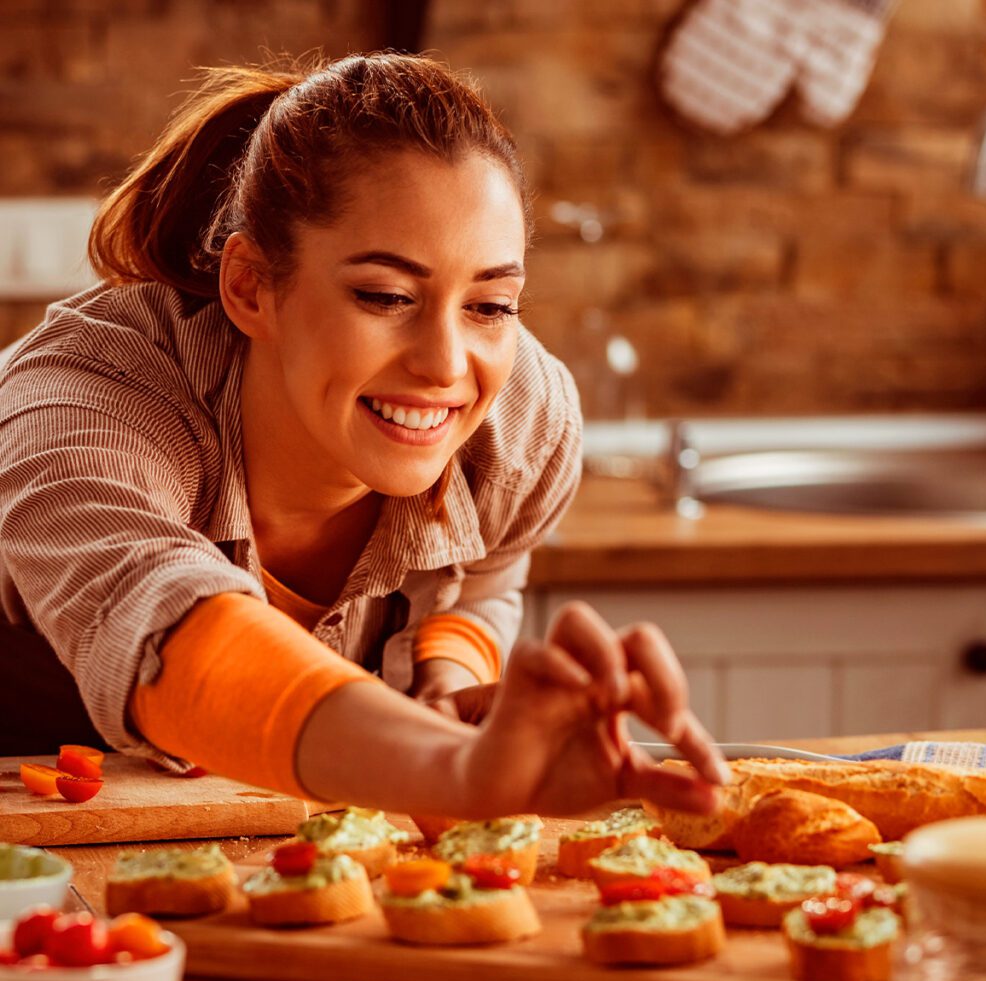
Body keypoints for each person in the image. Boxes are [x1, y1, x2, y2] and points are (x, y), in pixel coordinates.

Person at [0, 52, 728, 817]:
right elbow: (164, 634)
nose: (446, 365)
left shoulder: (521, 420)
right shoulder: (84, 402)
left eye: (490, 305)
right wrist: (452, 770)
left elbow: (484, 578)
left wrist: (447, 688)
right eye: (385, 296)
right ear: (250, 286)